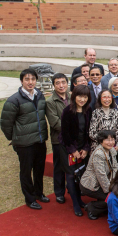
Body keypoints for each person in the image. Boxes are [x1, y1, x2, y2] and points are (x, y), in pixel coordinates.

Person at [0, 69, 49, 210]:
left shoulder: (39, 95)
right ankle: (30, 198)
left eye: (33, 79)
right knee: (26, 172)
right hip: (24, 143)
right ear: (22, 81)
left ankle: (39, 193)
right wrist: (14, 138)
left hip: (39, 140)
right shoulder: (14, 100)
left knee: (39, 169)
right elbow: (5, 124)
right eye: (27, 79)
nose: (30, 82)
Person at [57, 84, 92, 216]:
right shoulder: (67, 111)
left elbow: (89, 132)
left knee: (80, 174)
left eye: (85, 97)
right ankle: (75, 203)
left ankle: (80, 199)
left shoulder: (88, 110)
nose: (82, 100)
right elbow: (65, 134)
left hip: (82, 147)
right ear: (74, 96)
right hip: (68, 147)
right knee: (71, 175)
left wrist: (85, 148)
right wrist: (73, 150)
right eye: (79, 96)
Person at [79, 130, 118, 219]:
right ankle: (91, 207)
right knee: (113, 199)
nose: (111, 142)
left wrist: (114, 182)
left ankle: (101, 204)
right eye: (108, 140)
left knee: (116, 195)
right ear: (101, 141)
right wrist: (110, 190)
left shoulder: (111, 150)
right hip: (90, 184)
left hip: (103, 183)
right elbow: (101, 176)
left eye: (112, 139)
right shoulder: (98, 154)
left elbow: (115, 167)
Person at [46, 73, 70, 204]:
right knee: (59, 167)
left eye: (63, 82)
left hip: (73, 140)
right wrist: (73, 127)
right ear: (54, 85)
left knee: (73, 165)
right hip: (59, 139)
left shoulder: (73, 97)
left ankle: (71, 189)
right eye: (57, 83)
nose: (61, 85)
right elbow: (55, 123)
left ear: (67, 83)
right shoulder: (50, 102)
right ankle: (59, 192)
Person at [89, 89, 118, 153]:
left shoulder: (115, 112)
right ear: (100, 99)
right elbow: (92, 133)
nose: (107, 99)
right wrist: (104, 142)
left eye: (109, 97)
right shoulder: (96, 112)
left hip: (112, 147)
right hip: (98, 147)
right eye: (104, 97)